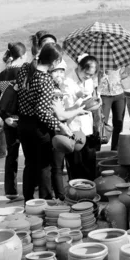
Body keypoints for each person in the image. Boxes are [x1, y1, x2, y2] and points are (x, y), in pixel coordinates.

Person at [16, 43, 72, 201]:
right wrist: (60, 126)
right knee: (44, 166)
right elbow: (42, 111)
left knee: (30, 164)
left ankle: (28, 201)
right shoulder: (45, 80)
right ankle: (46, 201)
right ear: (54, 62)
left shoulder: (25, 69)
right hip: (38, 129)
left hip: (23, 125)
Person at [0, 42, 27, 201]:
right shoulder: (25, 73)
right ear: (23, 56)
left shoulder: (1, 76)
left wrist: (5, 117)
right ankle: (32, 188)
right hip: (25, 120)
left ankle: (11, 192)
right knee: (30, 156)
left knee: (11, 155)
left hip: (8, 121)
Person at [49, 59, 89, 199]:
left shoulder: (62, 86)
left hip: (63, 127)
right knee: (57, 166)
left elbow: (65, 111)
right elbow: (60, 114)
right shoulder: (53, 90)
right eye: (56, 71)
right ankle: (59, 197)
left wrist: (78, 106)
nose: (60, 74)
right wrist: (76, 111)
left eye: (62, 71)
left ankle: (71, 192)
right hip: (56, 129)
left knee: (68, 163)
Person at [63, 54, 100, 180]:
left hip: (86, 125)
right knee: (75, 162)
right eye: (86, 73)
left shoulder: (89, 81)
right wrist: (79, 98)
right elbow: (66, 108)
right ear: (79, 66)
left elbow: (90, 99)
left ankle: (90, 186)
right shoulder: (68, 81)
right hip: (73, 126)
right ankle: (76, 189)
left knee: (89, 159)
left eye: (91, 74)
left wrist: (95, 100)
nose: (88, 77)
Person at [99, 66, 130, 150]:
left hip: (120, 93)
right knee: (101, 124)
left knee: (119, 123)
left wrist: (118, 76)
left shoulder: (119, 56)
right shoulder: (100, 57)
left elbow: (127, 72)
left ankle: (115, 150)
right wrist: (101, 75)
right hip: (103, 94)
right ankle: (96, 152)